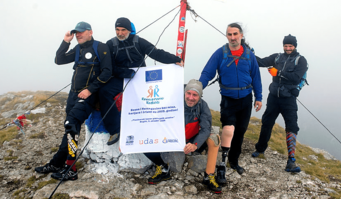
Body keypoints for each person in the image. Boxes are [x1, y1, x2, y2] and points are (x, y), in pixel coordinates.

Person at [35, 22, 112, 181]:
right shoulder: (77, 49)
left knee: (70, 123)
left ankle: (71, 169)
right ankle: (57, 163)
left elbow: (107, 72)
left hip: (88, 96)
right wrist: (66, 41)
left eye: (81, 32)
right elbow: (59, 59)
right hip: (73, 95)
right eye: (76, 33)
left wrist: (90, 89)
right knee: (70, 129)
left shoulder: (101, 47)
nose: (78, 35)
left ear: (90, 32)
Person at [98, 17, 183, 145]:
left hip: (139, 77)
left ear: (129, 30)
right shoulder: (111, 45)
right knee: (104, 92)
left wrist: (175, 59)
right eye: (117, 30)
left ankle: (158, 126)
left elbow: (156, 53)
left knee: (154, 97)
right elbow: (109, 66)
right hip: (120, 76)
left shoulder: (138, 42)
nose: (120, 33)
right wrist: (123, 73)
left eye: (123, 30)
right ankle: (114, 130)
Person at [199, 22, 262, 185]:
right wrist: (198, 88)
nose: (232, 37)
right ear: (226, 36)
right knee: (228, 130)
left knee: (240, 132)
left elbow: (256, 77)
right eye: (229, 34)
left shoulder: (249, 55)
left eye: (235, 34)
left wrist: (259, 97)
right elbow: (207, 72)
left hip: (246, 99)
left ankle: (234, 161)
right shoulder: (220, 53)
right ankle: (222, 165)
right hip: (228, 98)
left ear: (241, 35)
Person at [144, 79, 222, 194]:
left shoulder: (203, 106)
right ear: (184, 92)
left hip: (191, 139)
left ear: (200, 96)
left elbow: (206, 129)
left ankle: (208, 176)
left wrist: (195, 145)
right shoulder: (173, 100)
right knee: (143, 138)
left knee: (214, 139)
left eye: (195, 95)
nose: (190, 98)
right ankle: (163, 169)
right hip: (172, 138)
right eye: (188, 93)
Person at [251, 34, 308, 173]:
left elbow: (296, 78)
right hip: (273, 97)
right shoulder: (277, 57)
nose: (288, 48)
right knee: (267, 122)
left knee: (292, 126)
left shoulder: (301, 60)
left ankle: (291, 161)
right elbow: (261, 62)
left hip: (288, 99)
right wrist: (249, 53)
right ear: (283, 46)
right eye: (286, 46)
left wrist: (278, 73)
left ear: (295, 46)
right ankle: (260, 150)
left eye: (290, 46)